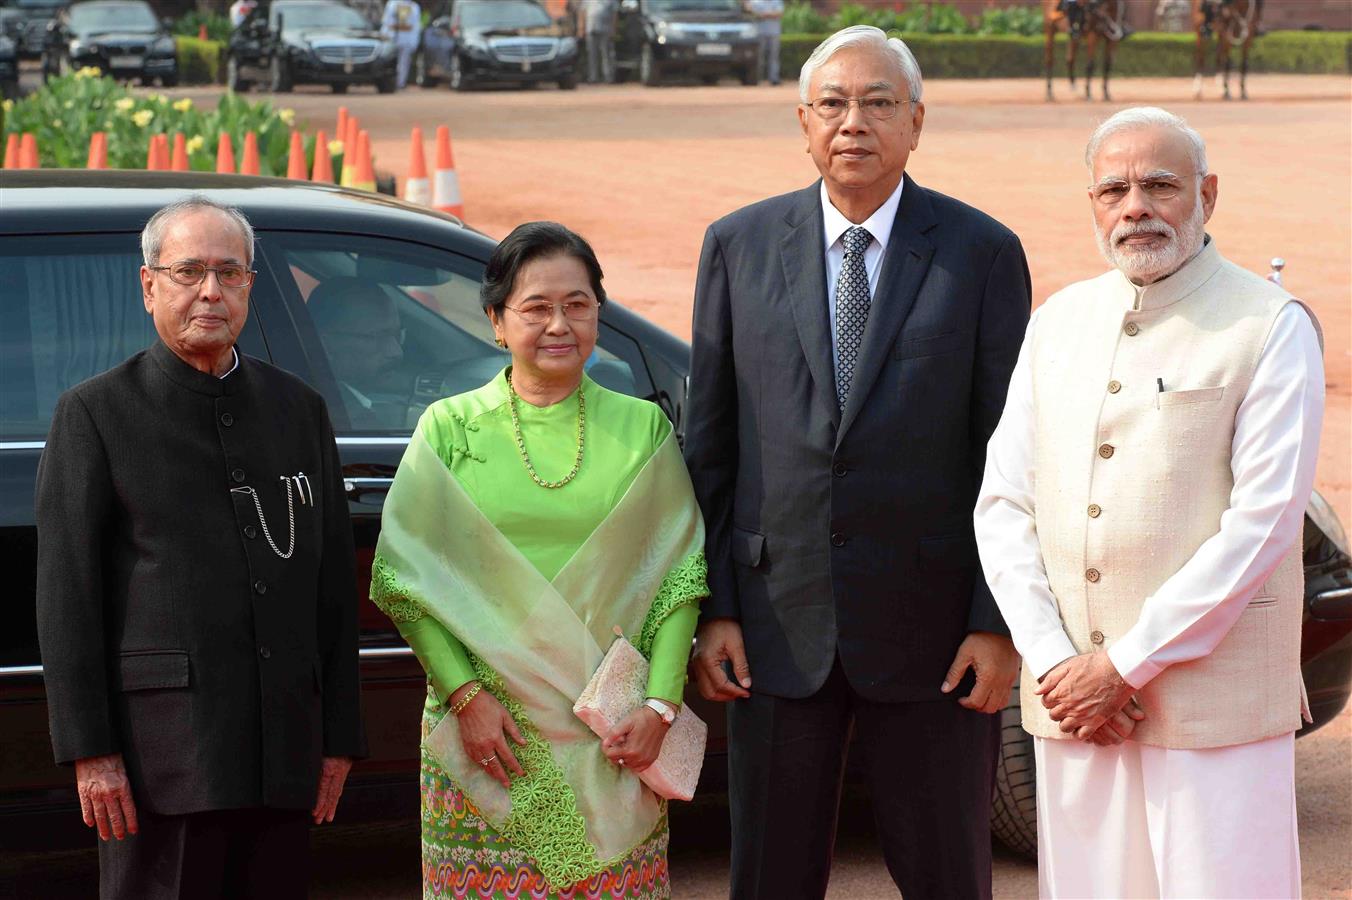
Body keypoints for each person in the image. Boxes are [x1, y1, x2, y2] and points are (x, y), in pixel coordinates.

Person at [684, 25, 1030, 900]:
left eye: (879, 103)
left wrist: (997, 623)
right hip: (772, 628)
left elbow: (1011, 454)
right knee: (770, 873)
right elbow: (712, 445)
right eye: (833, 104)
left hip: (937, 635)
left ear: (917, 122)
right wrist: (715, 609)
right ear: (802, 122)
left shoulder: (981, 253)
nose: (854, 122)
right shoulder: (738, 245)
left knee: (949, 874)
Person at [974, 107, 1323, 898]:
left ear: (1207, 194)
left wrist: (1125, 667)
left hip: (1214, 710)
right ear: (1093, 202)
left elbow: (1263, 526)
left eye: (1160, 185)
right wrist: (1061, 663)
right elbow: (1003, 506)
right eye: (1114, 188)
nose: (1136, 205)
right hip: (1075, 709)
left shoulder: (1268, 325)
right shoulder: (1057, 322)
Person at [35, 196, 366, 899]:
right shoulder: (96, 414)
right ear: (149, 284)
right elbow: (68, 600)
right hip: (163, 757)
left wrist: (338, 737)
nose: (210, 290)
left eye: (229, 272)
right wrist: (92, 752)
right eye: (189, 272)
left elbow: (332, 588)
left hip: (283, 749)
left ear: (250, 284)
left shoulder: (296, 409)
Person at [370, 221, 708, 898]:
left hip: (610, 736)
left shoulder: (639, 427)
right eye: (536, 307)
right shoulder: (449, 428)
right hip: (489, 739)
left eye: (578, 305)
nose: (560, 324)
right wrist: (466, 697)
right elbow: (404, 583)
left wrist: (660, 708)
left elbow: (680, 577)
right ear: (496, 320)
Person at [307, 277, 408, 429]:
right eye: (377, 337)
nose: (396, 352)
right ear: (328, 345)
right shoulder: (348, 420)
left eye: (398, 335)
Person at [381, 0, 422, 90]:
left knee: (404, 63)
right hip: (391, 38)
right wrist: (385, 34)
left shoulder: (414, 7)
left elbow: (416, 26)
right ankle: (386, 82)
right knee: (387, 60)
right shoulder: (392, 4)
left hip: (407, 39)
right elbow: (386, 21)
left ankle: (400, 83)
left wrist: (414, 41)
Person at [745, 0, 784, 85]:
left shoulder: (776, 1)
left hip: (774, 32)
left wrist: (763, 14)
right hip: (759, 33)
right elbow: (748, 8)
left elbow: (779, 14)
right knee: (758, 57)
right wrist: (769, 14)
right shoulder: (756, 2)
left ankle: (774, 78)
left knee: (774, 56)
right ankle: (756, 79)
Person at [582, 0, 617, 85]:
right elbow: (583, 12)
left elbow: (615, 14)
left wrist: (613, 28)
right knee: (592, 54)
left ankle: (608, 77)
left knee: (606, 54)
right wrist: (581, 28)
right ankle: (593, 77)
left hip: (605, 29)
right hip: (590, 28)